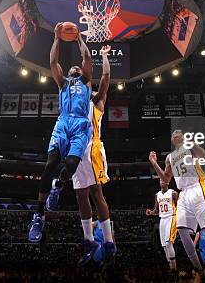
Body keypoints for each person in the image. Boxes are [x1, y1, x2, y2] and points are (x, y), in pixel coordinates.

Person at [28, 23, 93, 242]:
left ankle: (58, 185)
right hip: (63, 123)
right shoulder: (62, 82)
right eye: (72, 67)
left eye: (77, 67)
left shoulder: (85, 81)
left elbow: (87, 60)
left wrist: (78, 40)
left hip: (81, 125)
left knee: (72, 165)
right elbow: (53, 61)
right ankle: (38, 214)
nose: (75, 67)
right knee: (50, 165)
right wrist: (56, 38)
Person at [149, 130, 205, 283]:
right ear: (171, 140)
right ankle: (199, 271)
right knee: (181, 231)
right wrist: (154, 163)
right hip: (183, 194)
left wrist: (190, 141)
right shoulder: (170, 157)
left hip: (198, 188)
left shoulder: (189, 147)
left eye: (178, 133)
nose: (175, 134)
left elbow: (204, 154)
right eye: (173, 134)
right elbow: (166, 179)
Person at [71, 45, 116, 265]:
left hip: (93, 149)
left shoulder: (95, 101)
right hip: (74, 151)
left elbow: (106, 75)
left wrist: (104, 56)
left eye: (77, 72)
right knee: (80, 196)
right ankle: (89, 241)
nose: (74, 74)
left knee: (97, 194)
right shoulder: (68, 101)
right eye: (72, 73)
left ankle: (109, 241)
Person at [146, 179, 178, 273]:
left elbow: (180, 207)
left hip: (171, 217)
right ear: (159, 182)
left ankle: (174, 268)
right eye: (161, 180)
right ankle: (170, 266)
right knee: (164, 245)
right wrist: (151, 212)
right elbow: (157, 210)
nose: (162, 182)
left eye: (164, 180)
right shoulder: (158, 195)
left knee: (168, 243)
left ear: (168, 182)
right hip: (162, 219)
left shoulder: (173, 193)